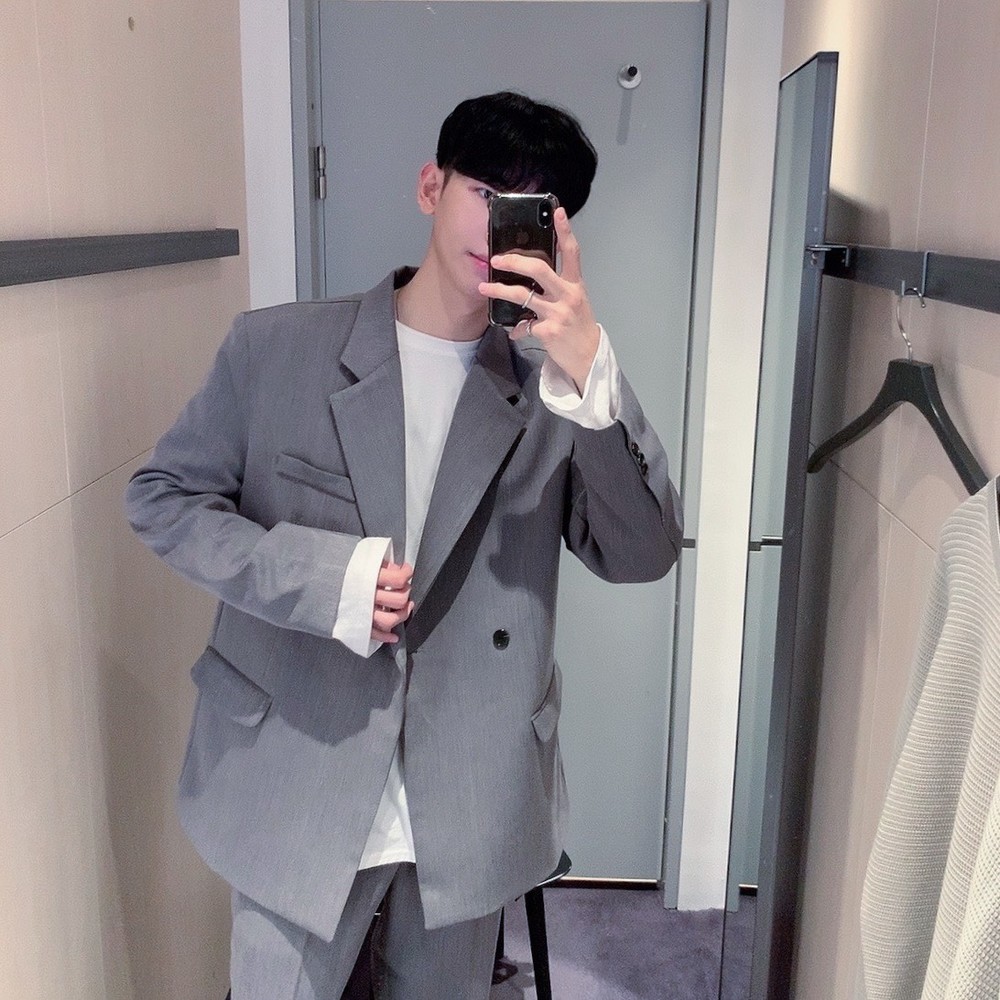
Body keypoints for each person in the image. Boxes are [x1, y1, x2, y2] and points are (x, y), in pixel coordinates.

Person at [126, 91, 682, 999]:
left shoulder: (561, 392)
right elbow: (163, 499)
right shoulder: (278, 350)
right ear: (431, 187)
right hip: (298, 769)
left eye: (532, 209)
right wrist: (321, 581)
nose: (498, 228)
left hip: (468, 791)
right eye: (485, 192)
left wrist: (592, 376)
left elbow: (643, 551)